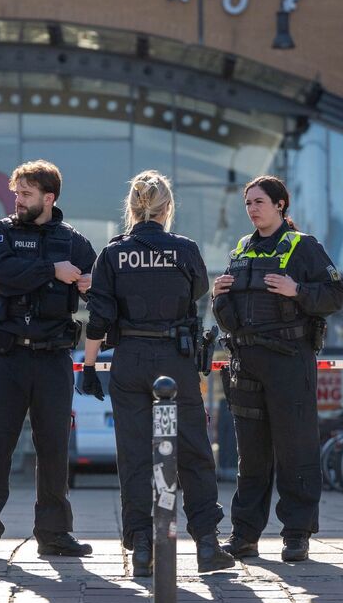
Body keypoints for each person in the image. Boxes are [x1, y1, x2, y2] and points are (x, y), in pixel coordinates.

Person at [81, 171, 234, 577]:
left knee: (134, 456)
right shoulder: (185, 250)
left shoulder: (113, 254)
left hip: (129, 358)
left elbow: (97, 318)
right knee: (193, 452)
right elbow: (198, 293)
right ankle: (206, 544)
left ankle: (143, 548)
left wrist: (89, 366)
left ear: (131, 208)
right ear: (168, 208)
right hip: (175, 359)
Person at [0, 160, 96, 560]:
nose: (17, 200)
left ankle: (54, 534)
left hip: (54, 357)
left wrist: (89, 285)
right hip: (8, 355)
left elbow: (99, 291)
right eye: (16, 193)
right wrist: (53, 270)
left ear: (49, 198)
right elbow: (2, 278)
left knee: (54, 447)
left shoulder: (73, 241)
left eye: (26, 194)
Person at [212, 174, 343, 563]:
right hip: (247, 362)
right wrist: (220, 296)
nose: (252, 209)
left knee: (295, 449)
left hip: (290, 360)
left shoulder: (304, 247)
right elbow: (228, 316)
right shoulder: (241, 249)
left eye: (259, 202)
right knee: (251, 456)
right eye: (248, 203)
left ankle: (296, 534)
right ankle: (244, 536)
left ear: (280, 205)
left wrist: (298, 291)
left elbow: (337, 294)